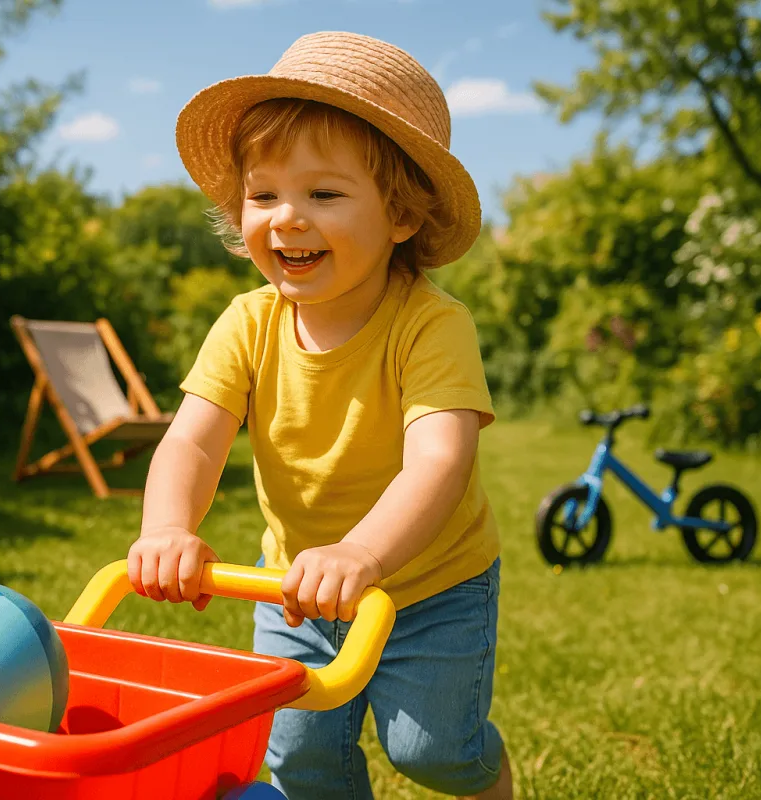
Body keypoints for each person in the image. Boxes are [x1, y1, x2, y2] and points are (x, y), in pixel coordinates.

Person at [127, 31, 512, 800]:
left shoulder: (431, 325)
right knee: (303, 761)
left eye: (324, 195)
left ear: (402, 215)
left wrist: (362, 553)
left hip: (431, 588)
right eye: (263, 195)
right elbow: (192, 442)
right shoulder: (246, 323)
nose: (287, 219)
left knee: (432, 752)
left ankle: (486, 770)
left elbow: (439, 459)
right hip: (294, 592)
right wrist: (167, 527)